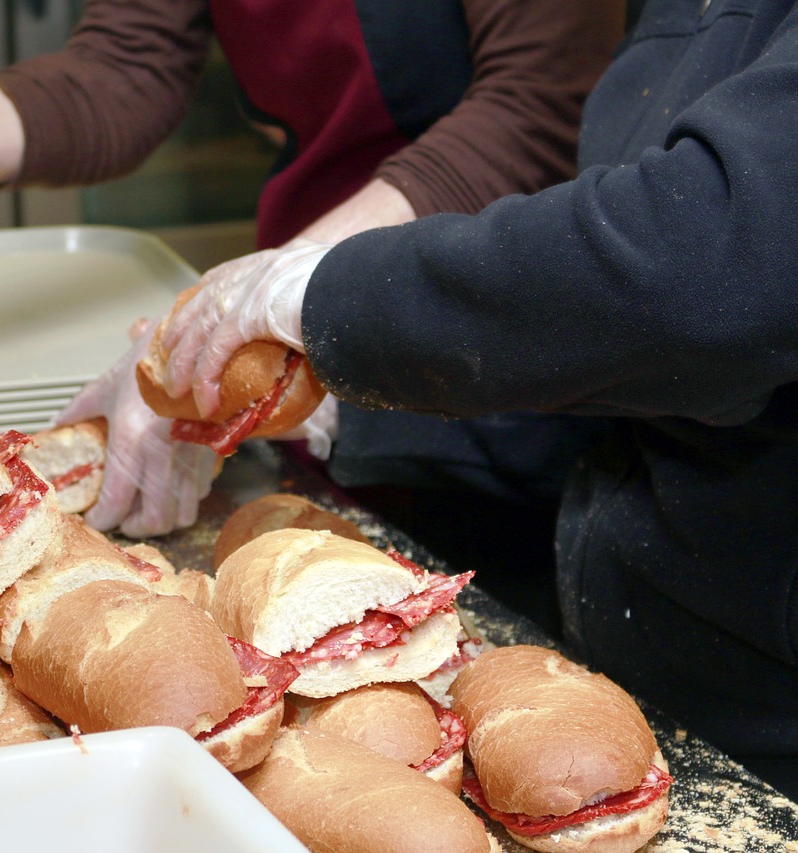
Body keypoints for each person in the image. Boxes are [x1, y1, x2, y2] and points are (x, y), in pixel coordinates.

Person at [153, 0, 798, 798]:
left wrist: (328, 294)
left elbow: (710, 267)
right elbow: (618, 344)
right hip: (637, 662)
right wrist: (336, 403)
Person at [0, 0, 625, 537]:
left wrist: (280, 293)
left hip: (489, 322)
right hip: (294, 327)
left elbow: (537, 105)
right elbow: (123, 72)